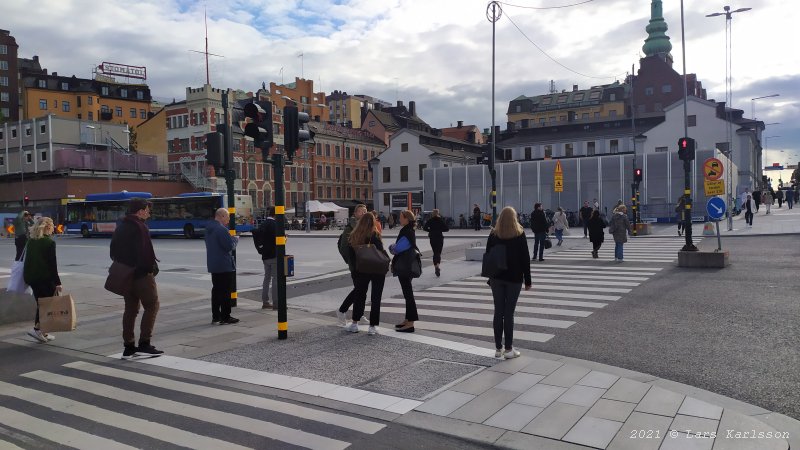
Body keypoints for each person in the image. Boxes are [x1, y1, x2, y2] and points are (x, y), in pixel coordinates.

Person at [110, 198, 164, 359]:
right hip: (141, 275)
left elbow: (113, 252)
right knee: (152, 305)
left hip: (126, 275)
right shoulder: (141, 227)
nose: (148, 212)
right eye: (147, 210)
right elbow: (146, 253)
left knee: (131, 310)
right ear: (140, 211)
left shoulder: (121, 226)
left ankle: (128, 347)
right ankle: (144, 344)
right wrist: (150, 269)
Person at [485, 207, 531, 359]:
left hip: (497, 278)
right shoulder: (519, 234)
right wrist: (528, 280)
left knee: (498, 311)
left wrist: (490, 277)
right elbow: (525, 258)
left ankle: (498, 348)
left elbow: (488, 256)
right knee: (509, 312)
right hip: (514, 278)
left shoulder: (493, 234)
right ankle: (509, 349)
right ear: (514, 218)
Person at [345, 212, 387, 335]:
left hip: (361, 269)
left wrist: (355, 269)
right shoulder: (375, 235)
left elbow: (350, 256)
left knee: (360, 296)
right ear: (373, 222)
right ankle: (372, 326)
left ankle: (354, 324)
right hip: (377, 269)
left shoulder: (354, 236)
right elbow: (381, 251)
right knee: (376, 297)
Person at [22, 217, 61, 343]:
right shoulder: (49, 243)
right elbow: (52, 265)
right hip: (44, 278)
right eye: (52, 225)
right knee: (46, 304)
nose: (54, 227)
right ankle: (37, 329)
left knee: (41, 303)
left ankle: (43, 331)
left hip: (31, 277)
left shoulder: (31, 241)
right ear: (47, 227)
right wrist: (58, 282)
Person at [336, 204, 369, 325]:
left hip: (365, 264)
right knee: (359, 289)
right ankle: (342, 310)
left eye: (365, 211)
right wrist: (351, 261)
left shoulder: (366, 227)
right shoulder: (350, 228)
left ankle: (359, 315)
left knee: (362, 290)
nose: (364, 213)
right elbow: (344, 248)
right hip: (356, 265)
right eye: (361, 211)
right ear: (355, 214)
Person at [392, 210, 419, 333]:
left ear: (407, 219)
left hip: (405, 267)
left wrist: (391, 247)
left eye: (401, 217)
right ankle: (407, 320)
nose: (399, 219)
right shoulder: (409, 230)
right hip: (406, 265)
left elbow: (397, 249)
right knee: (408, 294)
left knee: (408, 295)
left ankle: (410, 323)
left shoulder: (407, 231)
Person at [254, 210, 277, 309]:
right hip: (274, 255)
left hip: (265, 256)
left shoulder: (263, 224)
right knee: (276, 279)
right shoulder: (275, 225)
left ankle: (265, 301)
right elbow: (279, 240)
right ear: (276, 214)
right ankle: (277, 303)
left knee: (266, 279)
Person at [423, 209, 449, 277]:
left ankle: (436, 267)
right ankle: (437, 266)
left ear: (432, 214)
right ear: (438, 213)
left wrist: (430, 230)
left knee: (435, 252)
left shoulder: (430, 220)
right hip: (439, 237)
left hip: (432, 237)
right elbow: (447, 229)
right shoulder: (440, 220)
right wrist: (440, 229)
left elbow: (424, 228)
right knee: (438, 253)